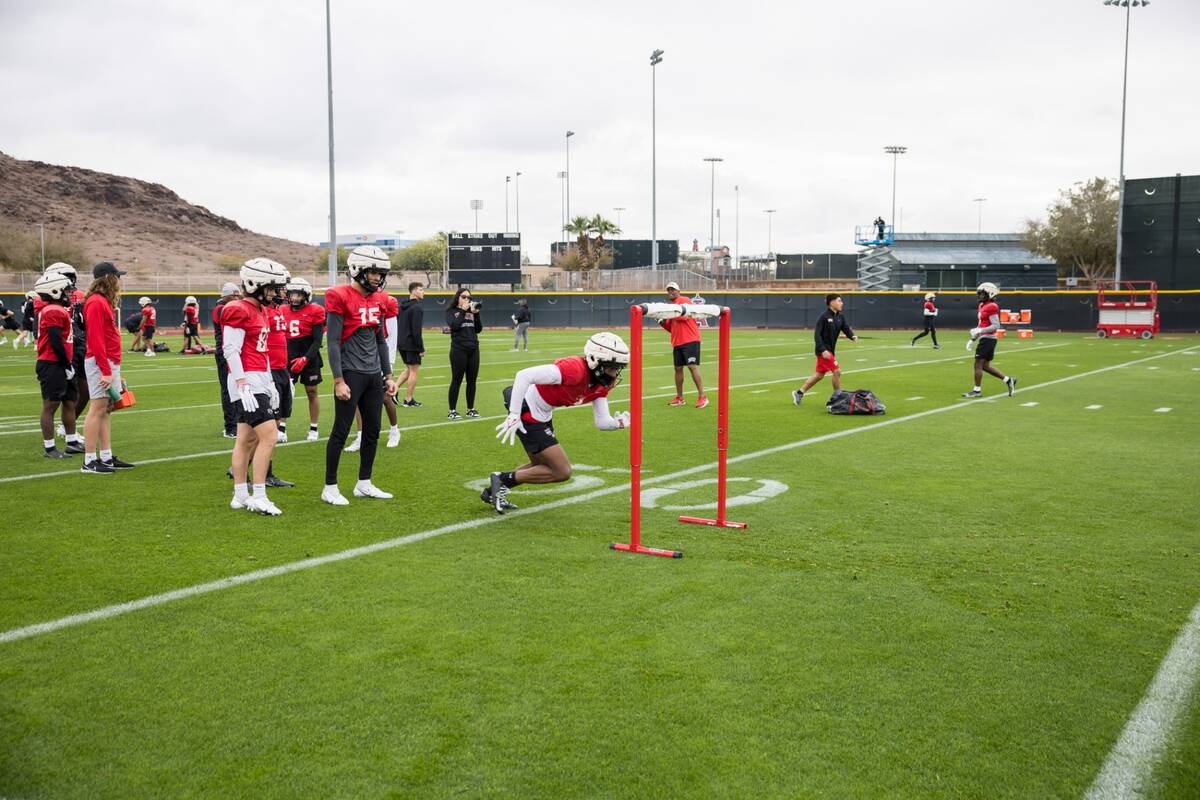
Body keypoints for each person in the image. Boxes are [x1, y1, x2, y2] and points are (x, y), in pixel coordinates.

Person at [486, 332, 631, 514]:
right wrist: (514, 414)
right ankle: (501, 479)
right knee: (562, 471)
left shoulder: (601, 385)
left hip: (543, 413)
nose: (614, 374)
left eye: (618, 369)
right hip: (527, 408)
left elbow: (602, 422)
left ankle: (494, 490)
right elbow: (523, 375)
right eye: (612, 367)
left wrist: (619, 423)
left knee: (541, 466)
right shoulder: (574, 369)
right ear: (596, 360)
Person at [322, 245, 398, 506]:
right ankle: (329, 486)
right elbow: (332, 341)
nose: (377, 277)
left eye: (380, 272)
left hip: (372, 373)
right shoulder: (338, 295)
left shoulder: (380, 300)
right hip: (351, 372)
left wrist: (388, 374)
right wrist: (338, 379)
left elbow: (380, 340)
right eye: (372, 271)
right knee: (341, 431)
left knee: (373, 430)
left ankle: (364, 483)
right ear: (357, 269)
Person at [222, 258, 290, 515]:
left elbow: (261, 350)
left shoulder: (260, 311)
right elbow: (231, 350)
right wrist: (242, 383)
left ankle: (240, 494)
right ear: (255, 284)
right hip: (247, 379)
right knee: (269, 435)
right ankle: (259, 494)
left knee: (245, 439)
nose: (275, 293)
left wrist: (270, 381)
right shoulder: (237, 308)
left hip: (259, 377)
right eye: (271, 288)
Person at [80, 261, 135, 474]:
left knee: (105, 410)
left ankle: (105, 456)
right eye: (117, 276)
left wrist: (113, 370)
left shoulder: (101, 301)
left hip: (107, 363)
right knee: (97, 409)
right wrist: (105, 370)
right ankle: (89, 460)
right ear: (108, 278)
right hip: (99, 363)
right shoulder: (95, 302)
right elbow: (95, 340)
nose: (119, 281)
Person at [345, 290, 401, 451]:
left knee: (385, 397)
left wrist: (387, 364)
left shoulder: (386, 301)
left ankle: (394, 430)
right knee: (356, 398)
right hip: (361, 357)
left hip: (380, 357)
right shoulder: (355, 299)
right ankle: (361, 436)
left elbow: (391, 336)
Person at [32, 271, 79, 459]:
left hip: (60, 362)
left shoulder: (57, 310)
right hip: (52, 363)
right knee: (51, 405)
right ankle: (50, 448)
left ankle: (72, 441)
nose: (69, 293)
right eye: (66, 290)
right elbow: (55, 341)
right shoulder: (53, 310)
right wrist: (66, 364)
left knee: (69, 402)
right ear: (54, 290)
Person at [43, 261, 87, 449]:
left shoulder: (80, 296)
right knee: (58, 397)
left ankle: (69, 431)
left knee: (81, 392)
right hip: (62, 351)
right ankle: (56, 440)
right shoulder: (46, 302)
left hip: (81, 346)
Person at [792, 293, 858, 406]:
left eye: (841, 301)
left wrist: (852, 336)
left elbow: (845, 328)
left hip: (830, 351)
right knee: (837, 371)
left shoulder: (840, 317)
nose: (841, 303)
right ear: (831, 303)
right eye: (839, 301)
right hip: (823, 352)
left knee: (819, 375)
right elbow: (817, 335)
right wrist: (822, 350)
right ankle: (837, 395)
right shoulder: (824, 317)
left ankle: (799, 393)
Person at [282, 277, 325, 442]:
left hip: (309, 355)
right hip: (288, 355)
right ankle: (281, 427)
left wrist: (306, 358)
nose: (295, 298)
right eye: (292, 295)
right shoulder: (282, 310)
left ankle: (313, 428)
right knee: (285, 392)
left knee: (312, 392)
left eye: (299, 295)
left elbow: (317, 340)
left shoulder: (315, 310)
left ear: (306, 296)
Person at [963, 282, 1017, 398]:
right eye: (979, 293)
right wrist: (973, 339)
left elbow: (996, 325)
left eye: (982, 294)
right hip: (985, 339)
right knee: (985, 366)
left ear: (990, 294)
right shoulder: (982, 306)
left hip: (988, 339)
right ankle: (1008, 380)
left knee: (977, 365)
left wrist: (980, 331)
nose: (980, 296)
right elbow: (981, 325)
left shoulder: (992, 306)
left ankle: (977, 390)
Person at [661, 281, 707, 408]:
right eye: (668, 290)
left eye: (673, 290)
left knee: (692, 367)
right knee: (678, 368)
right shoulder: (672, 307)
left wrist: (668, 313)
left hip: (690, 339)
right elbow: (670, 328)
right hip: (677, 341)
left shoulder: (684, 300)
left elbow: (684, 316)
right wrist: (662, 321)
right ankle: (679, 397)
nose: (670, 292)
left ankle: (702, 396)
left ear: (678, 291)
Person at [445, 287, 483, 420]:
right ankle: (452, 410)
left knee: (472, 381)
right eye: (464, 297)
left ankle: (470, 409)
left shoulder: (472, 312)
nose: (467, 299)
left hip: (473, 349)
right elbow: (454, 326)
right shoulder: (451, 311)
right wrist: (462, 310)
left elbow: (478, 329)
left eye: (469, 297)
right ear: (458, 298)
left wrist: (476, 314)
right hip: (458, 349)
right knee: (456, 380)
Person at [212, 282, 240, 438]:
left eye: (238, 295)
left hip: (235, 351)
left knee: (238, 388)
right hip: (225, 353)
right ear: (225, 295)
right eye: (233, 295)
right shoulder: (221, 309)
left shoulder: (230, 306)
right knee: (228, 390)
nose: (236, 297)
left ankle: (238, 422)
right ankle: (230, 426)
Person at [395, 281, 425, 407]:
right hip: (411, 344)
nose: (423, 292)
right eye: (421, 289)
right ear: (413, 291)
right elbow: (416, 330)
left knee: (409, 369)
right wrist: (421, 348)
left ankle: (393, 390)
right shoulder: (417, 308)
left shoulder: (401, 306)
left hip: (401, 343)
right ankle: (408, 399)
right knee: (414, 371)